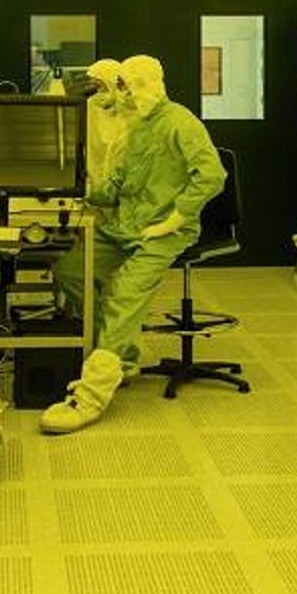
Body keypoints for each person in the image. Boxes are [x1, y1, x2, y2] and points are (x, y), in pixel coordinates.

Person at [41, 54, 226, 434]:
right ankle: (118, 355)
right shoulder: (138, 127)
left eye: (124, 86)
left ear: (146, 84)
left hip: (167, 231)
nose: (119, 94)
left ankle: (89, 396)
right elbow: (116, 188)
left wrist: (177, 217)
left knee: (124, 295)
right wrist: (74, 190)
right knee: (70, 271)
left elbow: (212, 175)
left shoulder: (180, 122)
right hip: (126, 227)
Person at [82, 58, 129, 190]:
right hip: (94, 183)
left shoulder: (129, 110)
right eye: (94, 87)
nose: (98, 92)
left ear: (112, 84)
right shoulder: (90, 106)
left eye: (100, 86)